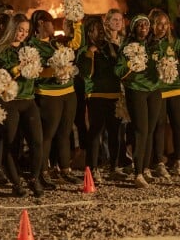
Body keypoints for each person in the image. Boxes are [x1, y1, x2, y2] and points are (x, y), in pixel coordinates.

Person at [0, 14, 45, 195]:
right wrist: (18, 68)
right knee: (11, 143)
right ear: (12, 28)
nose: (22, 34)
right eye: (20, 30)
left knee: (37, 142)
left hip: (28, 100)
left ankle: (33, 178)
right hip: (10, 102)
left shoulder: (28, 48)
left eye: (26, 31)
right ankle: (16, 183)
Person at [29, 10, 83, 184]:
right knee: (47, 135)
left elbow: (76, 44)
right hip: (48, 95)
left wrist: (77, 23)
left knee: (65, 132)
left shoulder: (56, 43)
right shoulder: (32, 45)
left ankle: (65, 168)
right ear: (41, 23)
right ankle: (43, 171)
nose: (54, 26)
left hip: (68, 92)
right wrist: (55, 70)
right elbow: (34, 71)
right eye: (51, 22)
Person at [115, 15, 161, 188]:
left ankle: (146, 168)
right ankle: (138, 173)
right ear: (134, 28)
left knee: (150, 130)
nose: (143, 27)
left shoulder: (154, 45)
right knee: (140, 131)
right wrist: (131, 67)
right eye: (140, 25)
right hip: (136, 90)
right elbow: (118, 70)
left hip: (154, 90)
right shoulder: (127, 46)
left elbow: (164, 64)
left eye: (146, 25)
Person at [77, 16, 122, 183]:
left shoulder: (111, 47)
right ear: (89, 32)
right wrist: (90, 54)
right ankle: (93, 168)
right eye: (97, 28)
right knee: (96, 133)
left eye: (103, 27)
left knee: (115, 133)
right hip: (95, 96)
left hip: (114, 95)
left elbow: (119, 67)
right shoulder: (85, 51)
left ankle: (114, 167)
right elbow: (86, 73)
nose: (102, 31)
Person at [151, 11, 180, 177]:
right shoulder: (148, 44)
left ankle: (178, 161)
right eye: (159, 24)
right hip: (158, 92)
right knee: (159, 127)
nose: (162, 27)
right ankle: (160, 162)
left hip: (176, 90)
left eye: (165, 23)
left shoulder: (174, 43)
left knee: (178, 126)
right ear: (153, 25)